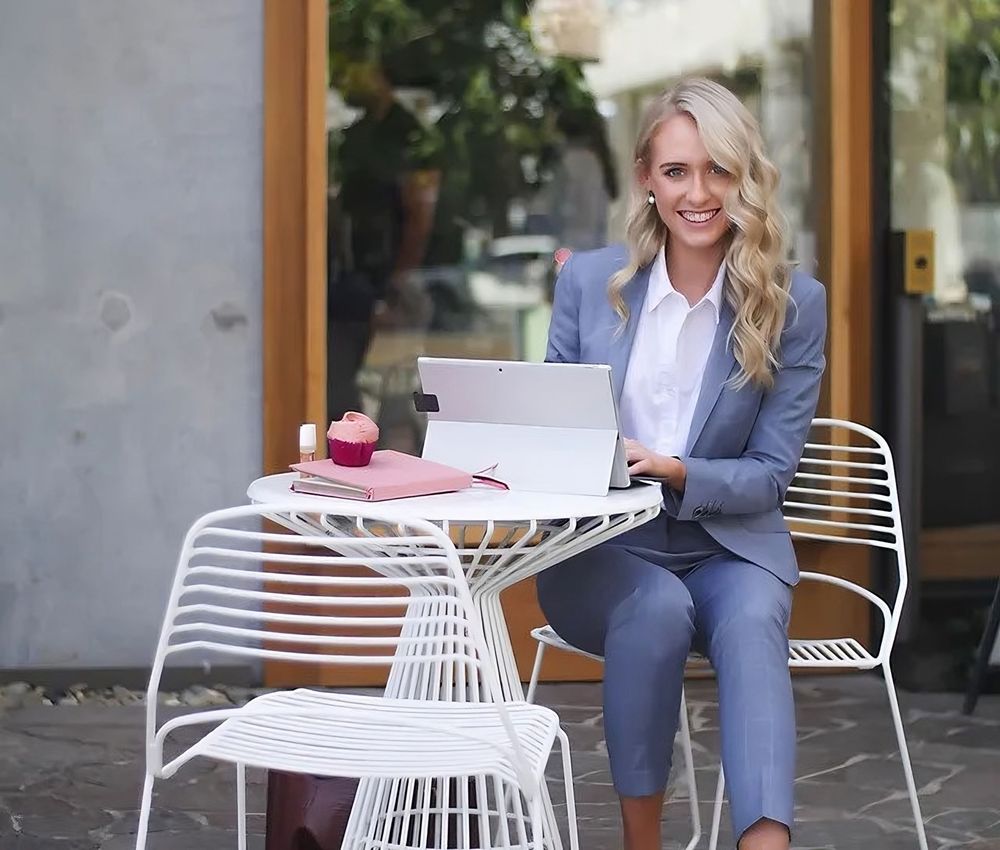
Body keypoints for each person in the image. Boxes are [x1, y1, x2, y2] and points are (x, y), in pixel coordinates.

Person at [537, 77, 827, 850]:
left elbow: (771, 473)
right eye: (676, 172)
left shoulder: (793, 302)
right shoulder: (588, 282)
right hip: (603, 548)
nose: (698, 194)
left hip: (729, 542)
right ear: (646, 180)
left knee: (753, 619)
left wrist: (672, 469)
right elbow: (547, 431)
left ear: (747, 178)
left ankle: (766, 843)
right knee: (657, 607)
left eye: (719, 171)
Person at [327, 60, 439, 420]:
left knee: (394, 389)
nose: (345, 81)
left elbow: (419, 211)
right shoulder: (357, 135)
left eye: (354, 70)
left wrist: (399, 277)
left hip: (391, 277)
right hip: (351, 278)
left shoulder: (407, 134)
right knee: (347, 386)